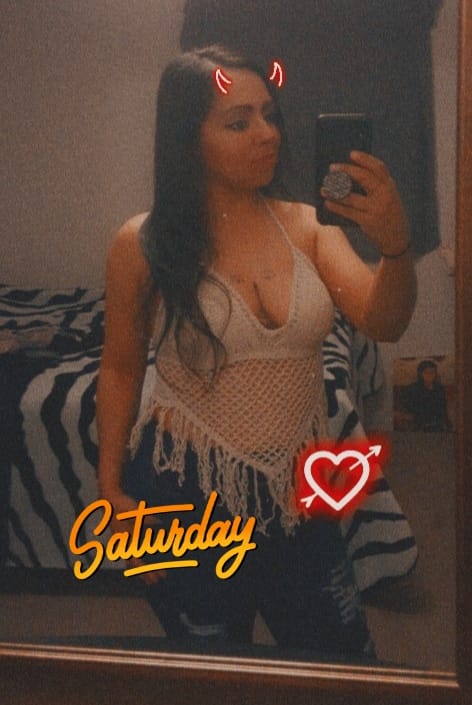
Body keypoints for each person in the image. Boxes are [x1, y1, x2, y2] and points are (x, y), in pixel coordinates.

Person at [96, 45, 416, 659]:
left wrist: (396, 248)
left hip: (300, 487)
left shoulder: (308, 227)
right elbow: (119, 368)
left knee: (343, 662)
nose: (267, 134)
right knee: (212, 664)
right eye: (238, 122)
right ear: (188, 140)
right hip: (183, 491)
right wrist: (110, 489)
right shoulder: (142, 243)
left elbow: (385, 320)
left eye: (269, 115)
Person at [402, 360, 452, 432]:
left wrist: (446, 422)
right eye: (426, 372)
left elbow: (443, 409)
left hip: (437, 424)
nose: (430, 375)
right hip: (420, 424)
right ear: (420, 374)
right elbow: (409, 408)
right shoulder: (413, 388)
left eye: (432, 372)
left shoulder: (439, 389)